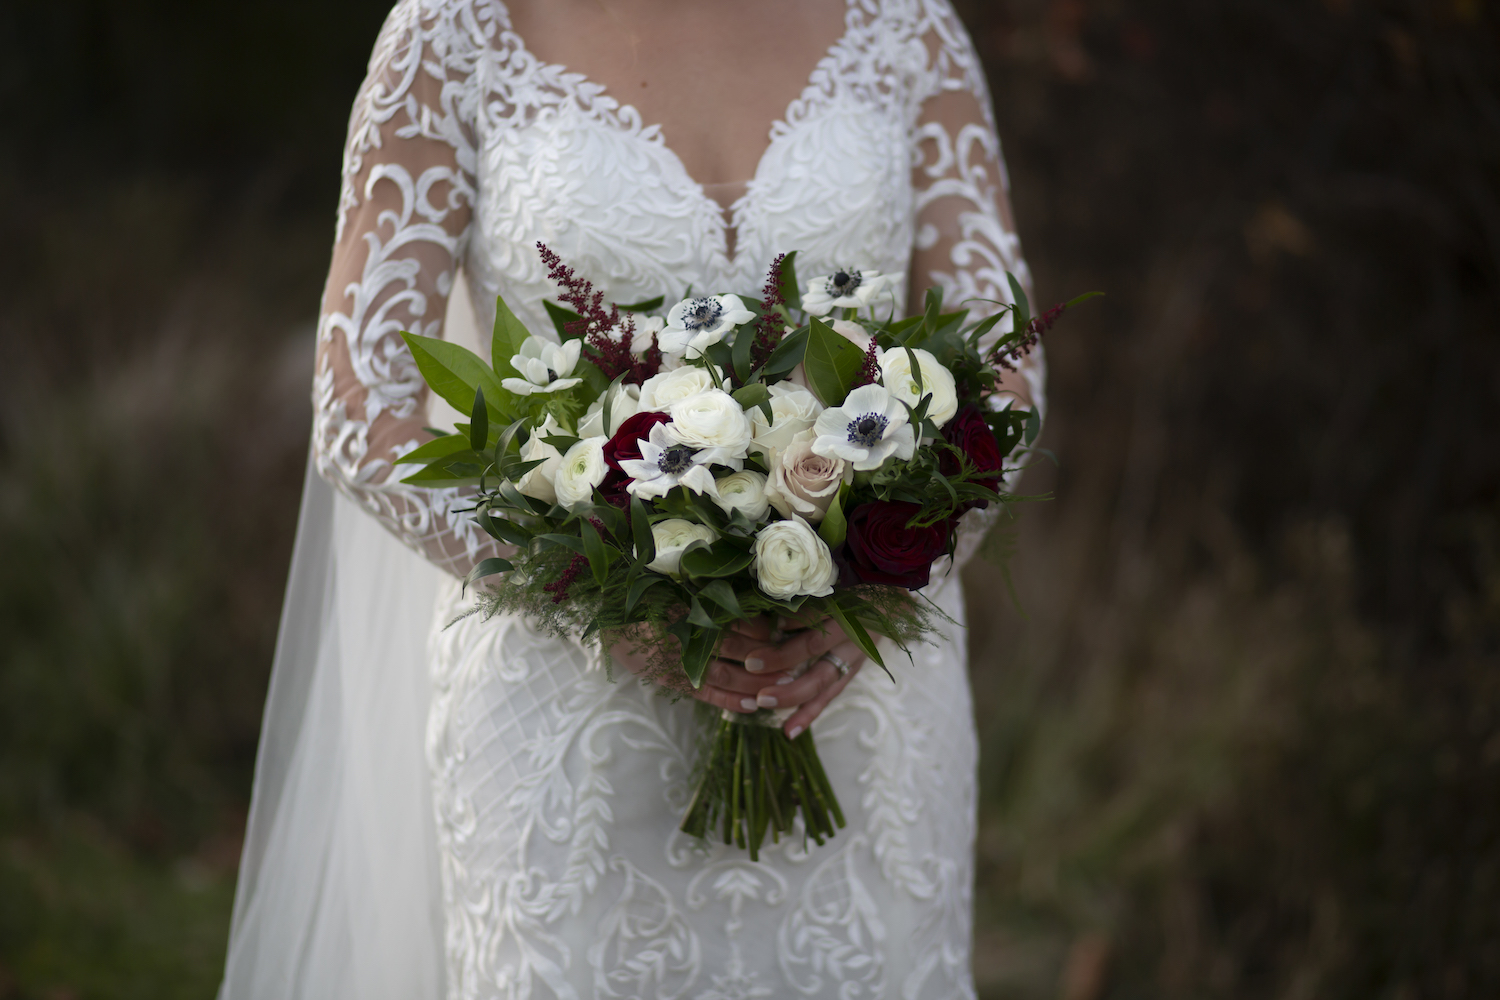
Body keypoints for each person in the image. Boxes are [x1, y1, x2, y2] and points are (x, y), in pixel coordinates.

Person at [220, 1, 1044, 997]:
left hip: (858, 690)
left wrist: (885, 573)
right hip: (566, 712)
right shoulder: (455, 33)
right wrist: (588, 593)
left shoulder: (908, 30)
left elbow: (1007, 369)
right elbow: (360, 401)